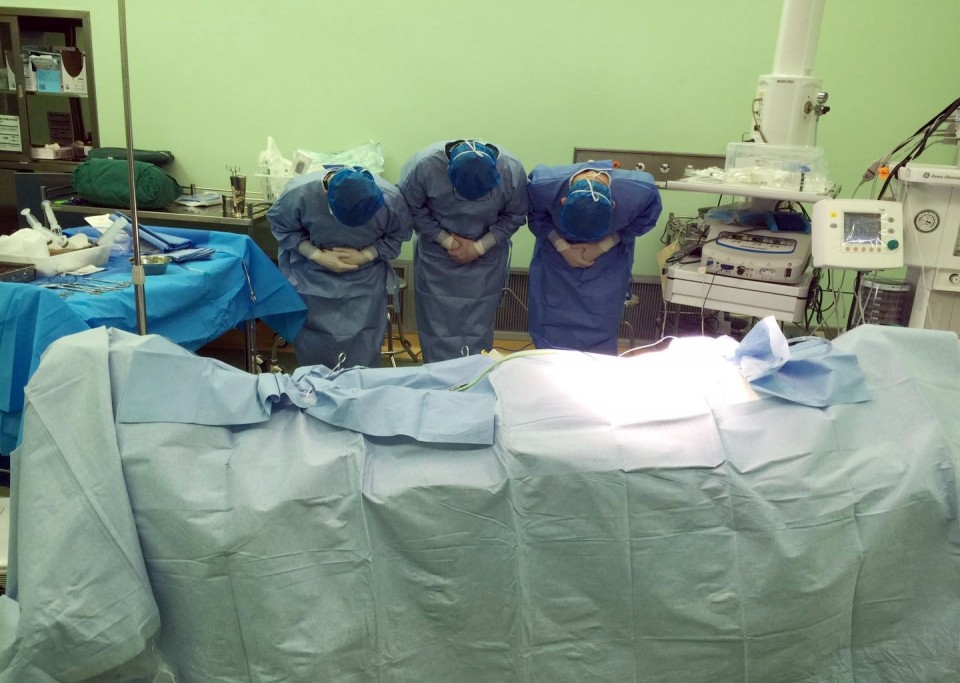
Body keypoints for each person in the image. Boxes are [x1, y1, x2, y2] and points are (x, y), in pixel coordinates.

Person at [269, 165, 413, 369]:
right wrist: (316, 255)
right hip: (312, 280)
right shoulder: (299, 193)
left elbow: (398, 234)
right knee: (315, 353)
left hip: (365, 282)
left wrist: (366, 255)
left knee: (362, 347)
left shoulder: (390, 198)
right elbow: (283, 227)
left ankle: (360, 386)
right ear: (325, 194)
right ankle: (317, 385)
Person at [399, 140, 528, 363]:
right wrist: (446, 240)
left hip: (486, 260)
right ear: (447, 172)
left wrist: (480, 247)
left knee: (477, 326)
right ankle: (437, 376)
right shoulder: (425, 167)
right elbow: (410, 208)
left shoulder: (511, 172)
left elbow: (515, 215)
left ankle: (474, 375)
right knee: (437, 325)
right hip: (438, 258)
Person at [526, 162, 662, 354]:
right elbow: (536, 216)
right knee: (550, 322)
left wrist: (604, 245)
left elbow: (643, 220)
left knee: (601, 322)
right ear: (563, 201)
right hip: (555, 261)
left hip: (608, 262)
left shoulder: (640, 192)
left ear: (613, 205)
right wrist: (561, 245)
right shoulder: (543, 185)